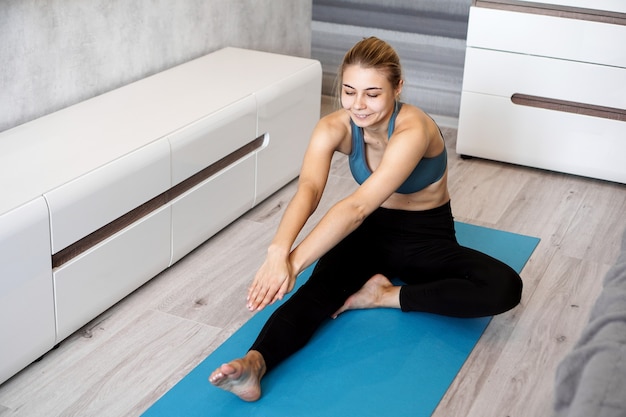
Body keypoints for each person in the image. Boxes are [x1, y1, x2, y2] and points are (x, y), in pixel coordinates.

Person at [209, 36, 522, 402]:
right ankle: (255, 364)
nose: (359, 105)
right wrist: (277, 253)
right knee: (319, 291)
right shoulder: (332, 128)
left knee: (505, 287)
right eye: (349, 91)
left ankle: (384, 295)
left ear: (397, 88)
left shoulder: (413, 130)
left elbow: (356, 207)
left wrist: (292, 265)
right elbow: (309, 190)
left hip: (427, 237)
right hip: (370, 233)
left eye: (372, 94)